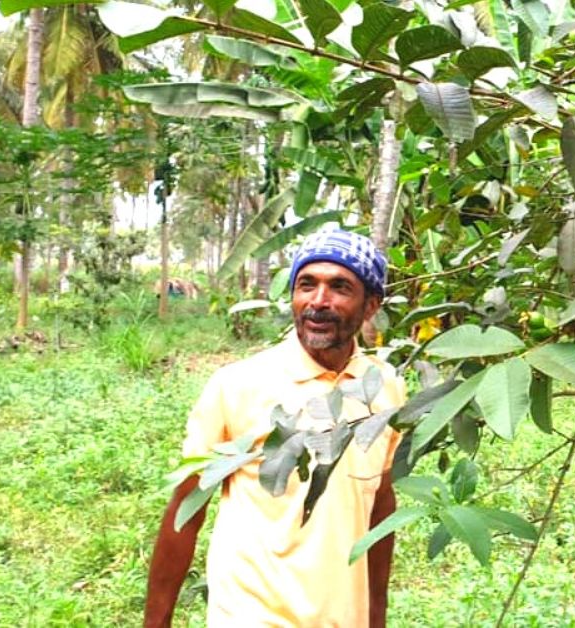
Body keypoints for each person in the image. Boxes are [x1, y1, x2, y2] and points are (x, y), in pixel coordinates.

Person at [144, 229, 404, 627]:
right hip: (251, 614)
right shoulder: (237, 385)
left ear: (370, 306)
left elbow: (379, 504)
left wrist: (375, 613)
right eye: (306, 285)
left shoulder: (384, 388)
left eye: (339, 287)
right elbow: (186, 510)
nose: (318, 301)